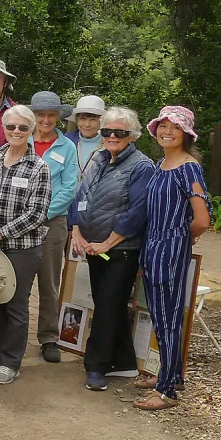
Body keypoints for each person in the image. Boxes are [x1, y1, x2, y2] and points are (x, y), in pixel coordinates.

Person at [69, 107, 155, 391]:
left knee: (106, 305)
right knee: (111, 304)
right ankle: (125, 362)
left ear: (132, 136)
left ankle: (97, 367)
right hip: (94, 248)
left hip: (121, 250)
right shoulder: (98, 158)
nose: (113, 136)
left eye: (120, 132)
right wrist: (77, 231)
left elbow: (139, 212)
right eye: (107, 131)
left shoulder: (142, 166)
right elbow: (80, 195)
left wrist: (107, 242)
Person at [133, 105, 211, 411]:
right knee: (159, 314)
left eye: (175, 127)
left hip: (170, 248)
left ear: (185, 134)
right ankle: (171, 375)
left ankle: (167, 392)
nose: (167, 131)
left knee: (168, 317)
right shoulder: (161, 163)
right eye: (163, 126)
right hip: (152, 246)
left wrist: (180, 236)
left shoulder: (188, 168)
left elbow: (202, 219)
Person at [0, 103, 51, 384]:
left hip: (22, 247)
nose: (16, 131)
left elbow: (36, 214)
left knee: (16, 304)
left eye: (22, 127)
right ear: (3, 129)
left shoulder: (38, 167)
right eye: (11, 127)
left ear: (31, 130)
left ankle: (12, 362)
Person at [28, 91, 80, 363]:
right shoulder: (20, 139)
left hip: (52, 223)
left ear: (59, 117)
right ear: (33, 116)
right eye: (40, 114)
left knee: (49, 284)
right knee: (15, 283)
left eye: (51, 115)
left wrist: (39, 214)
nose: (46, 120)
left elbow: (70, 187)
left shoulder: (67, 147)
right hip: (19, 223)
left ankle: (48, 337)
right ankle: (4, 335)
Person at [67, 94, 106, 170]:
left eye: (93, 120)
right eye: (83, 119)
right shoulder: (66, 140)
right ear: (77, 120)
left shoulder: (109, 143)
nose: (87, 125)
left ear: (101, 121)